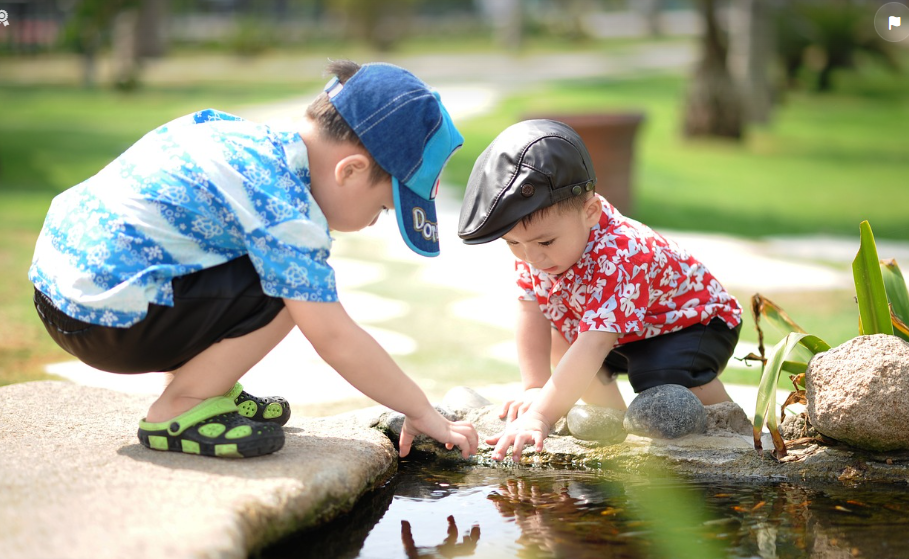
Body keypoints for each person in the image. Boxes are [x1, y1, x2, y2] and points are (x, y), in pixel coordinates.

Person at [30, 60, 479, 460]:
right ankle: (181, 407)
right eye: (382, 209)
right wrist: (420, 410)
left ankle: (208, 387)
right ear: (351, 170)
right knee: (294, 292)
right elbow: (334, 337)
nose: (372, 222)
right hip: (105, 322)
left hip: (62, 293)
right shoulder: (285, 207)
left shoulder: (241, 138)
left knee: (266, 265)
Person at [457, 119, 742, 461]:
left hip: (692, 325)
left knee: (659, 375)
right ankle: (614, 429)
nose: (532, 256)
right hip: (621, 331)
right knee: (561, 335)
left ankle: (731, 428)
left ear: (590, 211)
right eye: (513, 243)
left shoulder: (622, 252)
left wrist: (540, 416)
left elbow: (595, 343)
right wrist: (535, 387)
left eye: (545, 241)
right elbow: (530, 310)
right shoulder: (535, 250)